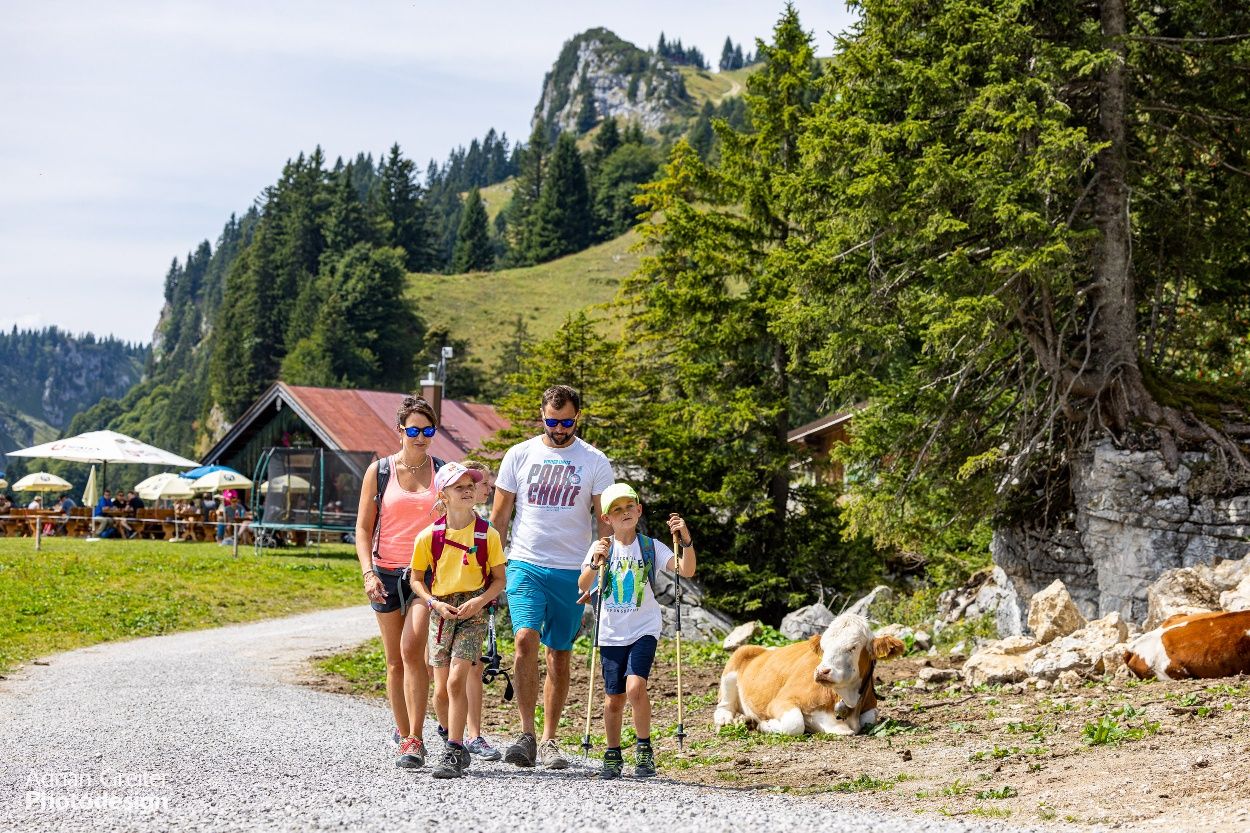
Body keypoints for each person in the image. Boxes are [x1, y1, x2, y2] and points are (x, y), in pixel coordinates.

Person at [491, 384, 614, 769]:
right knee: (524, 639)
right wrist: (489, 565)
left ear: (578, 417)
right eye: (552, 421)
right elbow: (499, 517)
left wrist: (602, 567)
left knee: (559, 653)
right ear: (541, 415)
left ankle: (549, 739)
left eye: (567, 422)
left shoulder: (594, 461)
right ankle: (526, 734)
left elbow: (605, 521)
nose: (559, 429)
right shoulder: (519, 454)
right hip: (525, 562)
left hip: (573, 571)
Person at [578, 484, 697, 779]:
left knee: (635, 688)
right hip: (610, 632)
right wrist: (594, 562)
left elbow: (686, 570)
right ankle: (613, 752)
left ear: (639, 510)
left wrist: (686, 540)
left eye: (629, 506)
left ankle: (644, 748)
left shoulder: (651, 546)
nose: (625, 513)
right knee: (614, 698)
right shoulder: (601, 547)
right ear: (607, 518)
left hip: (644, 628)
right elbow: (583, 584)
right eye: (617, 510)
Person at [355, 395, 444, 769]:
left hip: (426, 575)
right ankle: (404, 733)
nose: (421, 437)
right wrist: (368, 572)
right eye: (414, 430)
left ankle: (416, 739)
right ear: (400, 430)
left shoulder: (443, 472)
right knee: (394, 661)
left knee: (413, 651)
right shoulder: (379, 471)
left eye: (428, 431)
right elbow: (363, 528)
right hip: (385, 573)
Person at [409, 462, 506, 779]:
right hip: (441, 611)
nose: (467, 491)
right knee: (440, 692)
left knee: (456, 680)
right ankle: (454, 738)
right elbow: (416, 579)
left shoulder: (488, 534)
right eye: (458, 487)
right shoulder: (428, 536)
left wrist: (480, 601)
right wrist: (433, 603)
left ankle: (452, 749)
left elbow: (499, 580)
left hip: (473, 611)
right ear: (443, 495)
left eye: (470, 486)